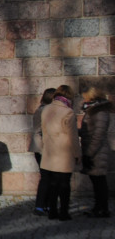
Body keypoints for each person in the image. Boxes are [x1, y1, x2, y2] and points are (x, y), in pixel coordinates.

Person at [38, 84, 79, 221]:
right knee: (64, 184)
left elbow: (43, 132)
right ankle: (64, 212)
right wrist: (78, 154)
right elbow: (73, 137)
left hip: (50, 152)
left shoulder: (46, 109)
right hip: (64, 154)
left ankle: (52, 211)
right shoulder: (68, 112)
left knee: (53, 183)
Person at [78, 87, 111, 218]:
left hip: (97, 152)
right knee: (97, 181)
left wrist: (89, 154)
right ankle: (99, 207)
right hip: (93, 151)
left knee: (99, 182)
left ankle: (102, 209)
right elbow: (89, 131)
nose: (83, 99)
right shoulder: (92, 110)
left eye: (85, 96)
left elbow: (98, 135)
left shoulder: (100, 112)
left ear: (91, 97)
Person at [30, 88, 57, 216]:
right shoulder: (43, 111)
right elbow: (38, 132)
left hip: (43, 149)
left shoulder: (44, 110)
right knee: (46, 178)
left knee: (48, 178)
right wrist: (42, 150)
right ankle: (40, 206)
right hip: (43, 150)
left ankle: (45, 205)